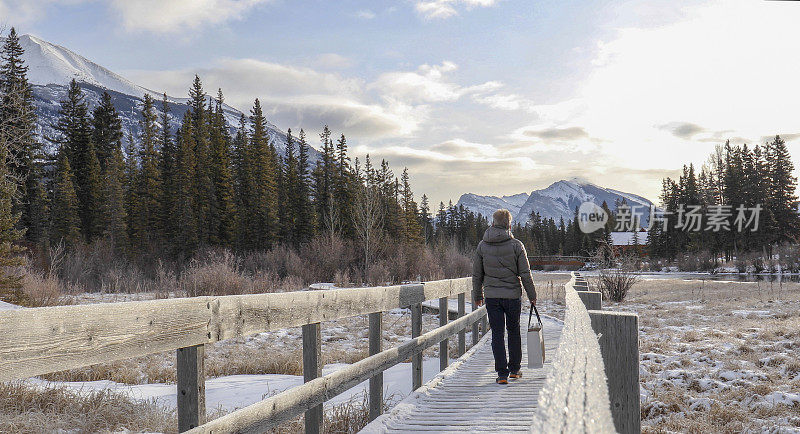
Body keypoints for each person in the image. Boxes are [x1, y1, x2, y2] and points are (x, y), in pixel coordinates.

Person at [472, 209, 537, 384]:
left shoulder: (482, 246)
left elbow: (477, 275)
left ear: (493, 224)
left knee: (497, 334)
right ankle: (515, 370)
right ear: (509, 225)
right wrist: (532, 295)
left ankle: (502, 374)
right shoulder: (516, 245)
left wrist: (478, 295)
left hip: (492, 297)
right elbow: (525, 273)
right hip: (512, 296)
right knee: (514, 331)